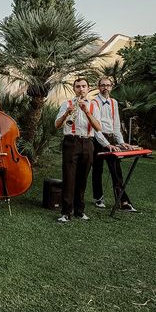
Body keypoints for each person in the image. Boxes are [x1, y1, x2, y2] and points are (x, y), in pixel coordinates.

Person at [55, 78, 102, 223]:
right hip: (71, 141)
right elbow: (57, 125)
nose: (81, 89)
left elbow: (98, 127)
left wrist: (87, 112)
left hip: (88, 142)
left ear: (88, 88)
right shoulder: (66, 104)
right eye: (78, 87)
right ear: (74, 89)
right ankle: (66, 212)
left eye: (83, 86)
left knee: (82, 178)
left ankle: (80, 211)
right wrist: (66, 114)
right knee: (69, 178)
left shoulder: (94, 106)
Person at [91, 76, 137, 211]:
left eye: (108, 85)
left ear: (111, 87)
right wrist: (106, 144)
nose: (105, 88)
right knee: (97, 170)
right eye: (103, 85)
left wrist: (121, 142)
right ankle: (98, 198)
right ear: (98, 87)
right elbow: (95, 127)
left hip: (111, 139)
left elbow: (116, 125)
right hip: (98, 139)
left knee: (116, 170)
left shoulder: (114, 102)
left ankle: (122, 201)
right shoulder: (94, 102)